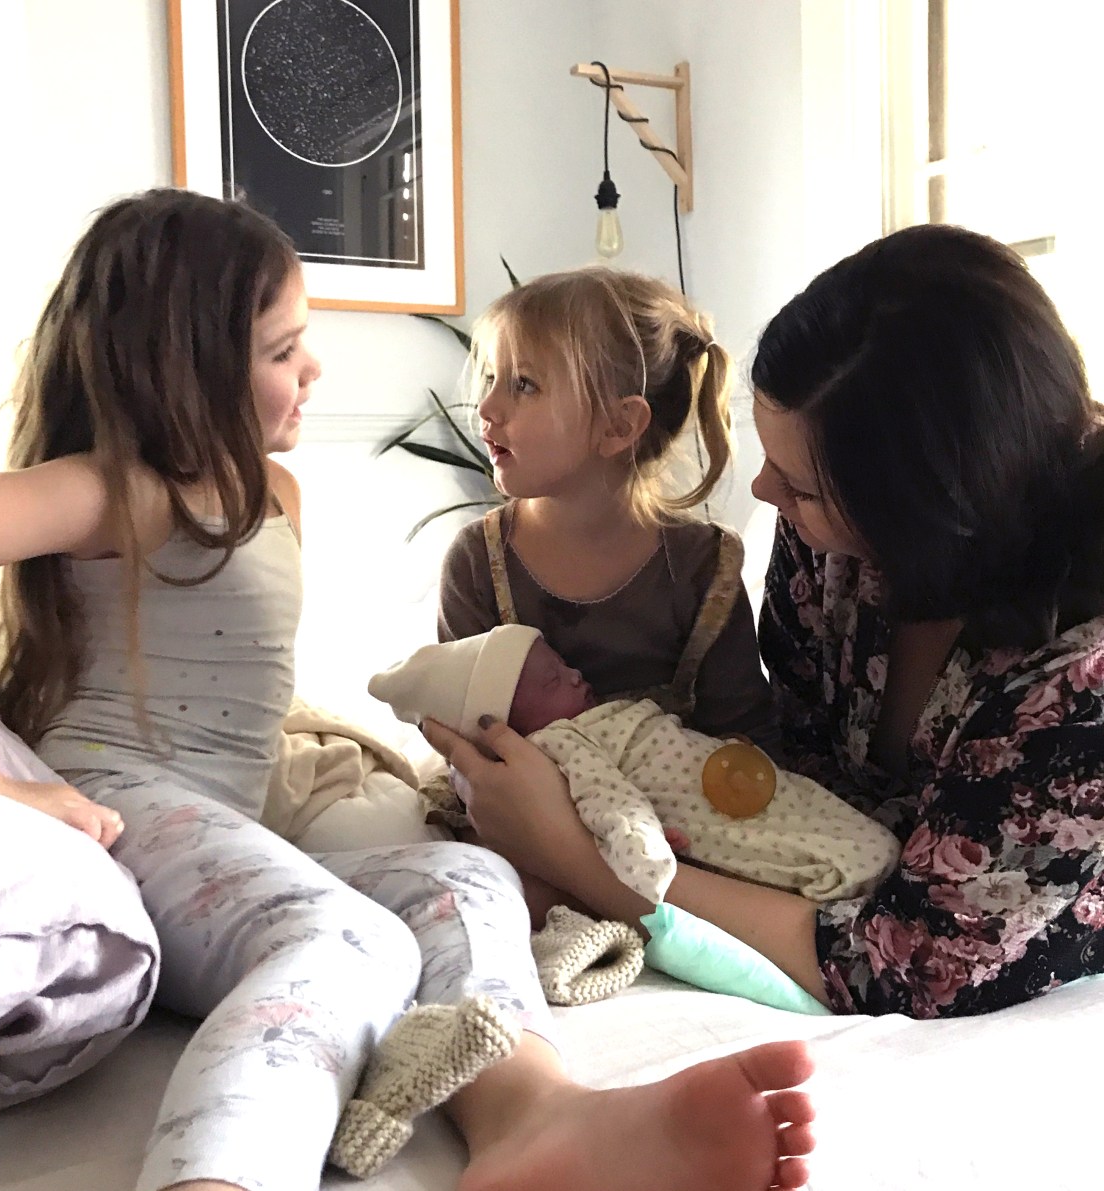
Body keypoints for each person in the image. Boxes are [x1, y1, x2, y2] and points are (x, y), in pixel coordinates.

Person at [0, 188, 816, 1191]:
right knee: (348, 939)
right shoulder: (124, 487)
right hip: (124, 800)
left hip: (225, 819)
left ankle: (528, 1110)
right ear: (183, 366)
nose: (315, 367)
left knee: (469, 881)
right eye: (282, 349)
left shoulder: (271, 492)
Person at [424, 223, 1104, 1023]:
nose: (762, 491)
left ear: (931, 510)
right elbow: (787, 769)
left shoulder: (1077, 682)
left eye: (803, 486)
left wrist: (578, 857)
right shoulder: (831, 553)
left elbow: (905, 967)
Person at [438, 266, 777, 751]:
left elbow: (746, 744)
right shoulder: (477, 563)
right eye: (492, 378)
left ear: (619, 426)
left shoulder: (703, 567)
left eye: (524, 384)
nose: (486, 408)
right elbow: (463, 742)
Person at [370, 625, 899, 905]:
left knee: (810, 815)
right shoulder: (559, 743)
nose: (576, 675)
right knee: (795, 846)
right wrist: (642, 853)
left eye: (564, 665)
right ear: (505, 723)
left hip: (739, 784)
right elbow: (609, 801)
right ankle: (860, 877)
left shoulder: (595, 718)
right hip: (709, 818)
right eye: (553, 680)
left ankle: (872, 864)